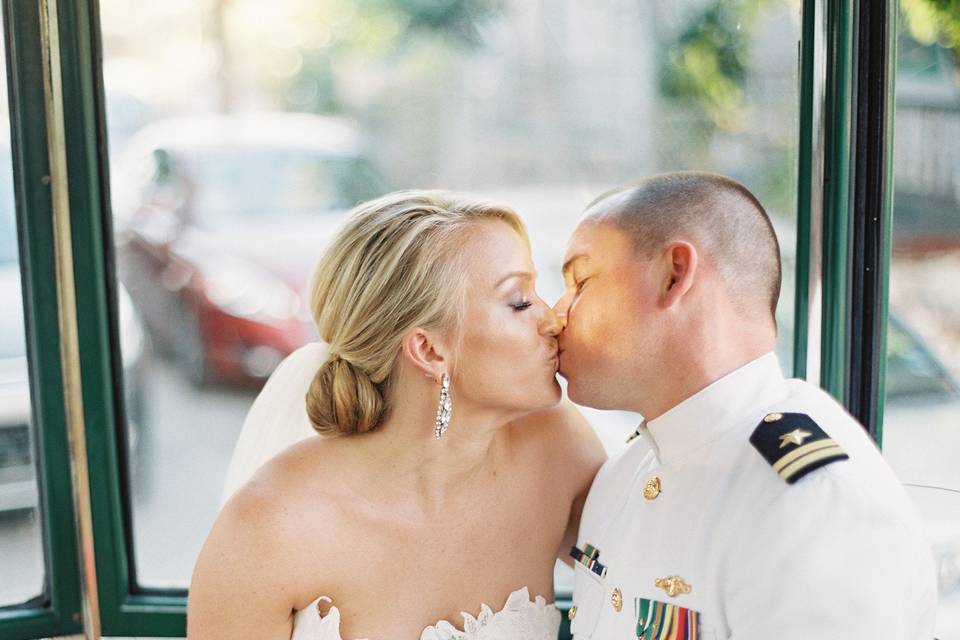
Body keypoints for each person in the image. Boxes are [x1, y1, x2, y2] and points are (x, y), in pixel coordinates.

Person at [188, 190, 606, 639]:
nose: (553, 318)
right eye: (520, 301)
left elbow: (649, 561)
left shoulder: (556, 450)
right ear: (428, 350)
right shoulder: (268, 529)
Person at [556, 172, 938, 639]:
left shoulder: (812, 503)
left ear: (674, 274)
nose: (558, 313)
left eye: (581, 281)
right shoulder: (625, 474)